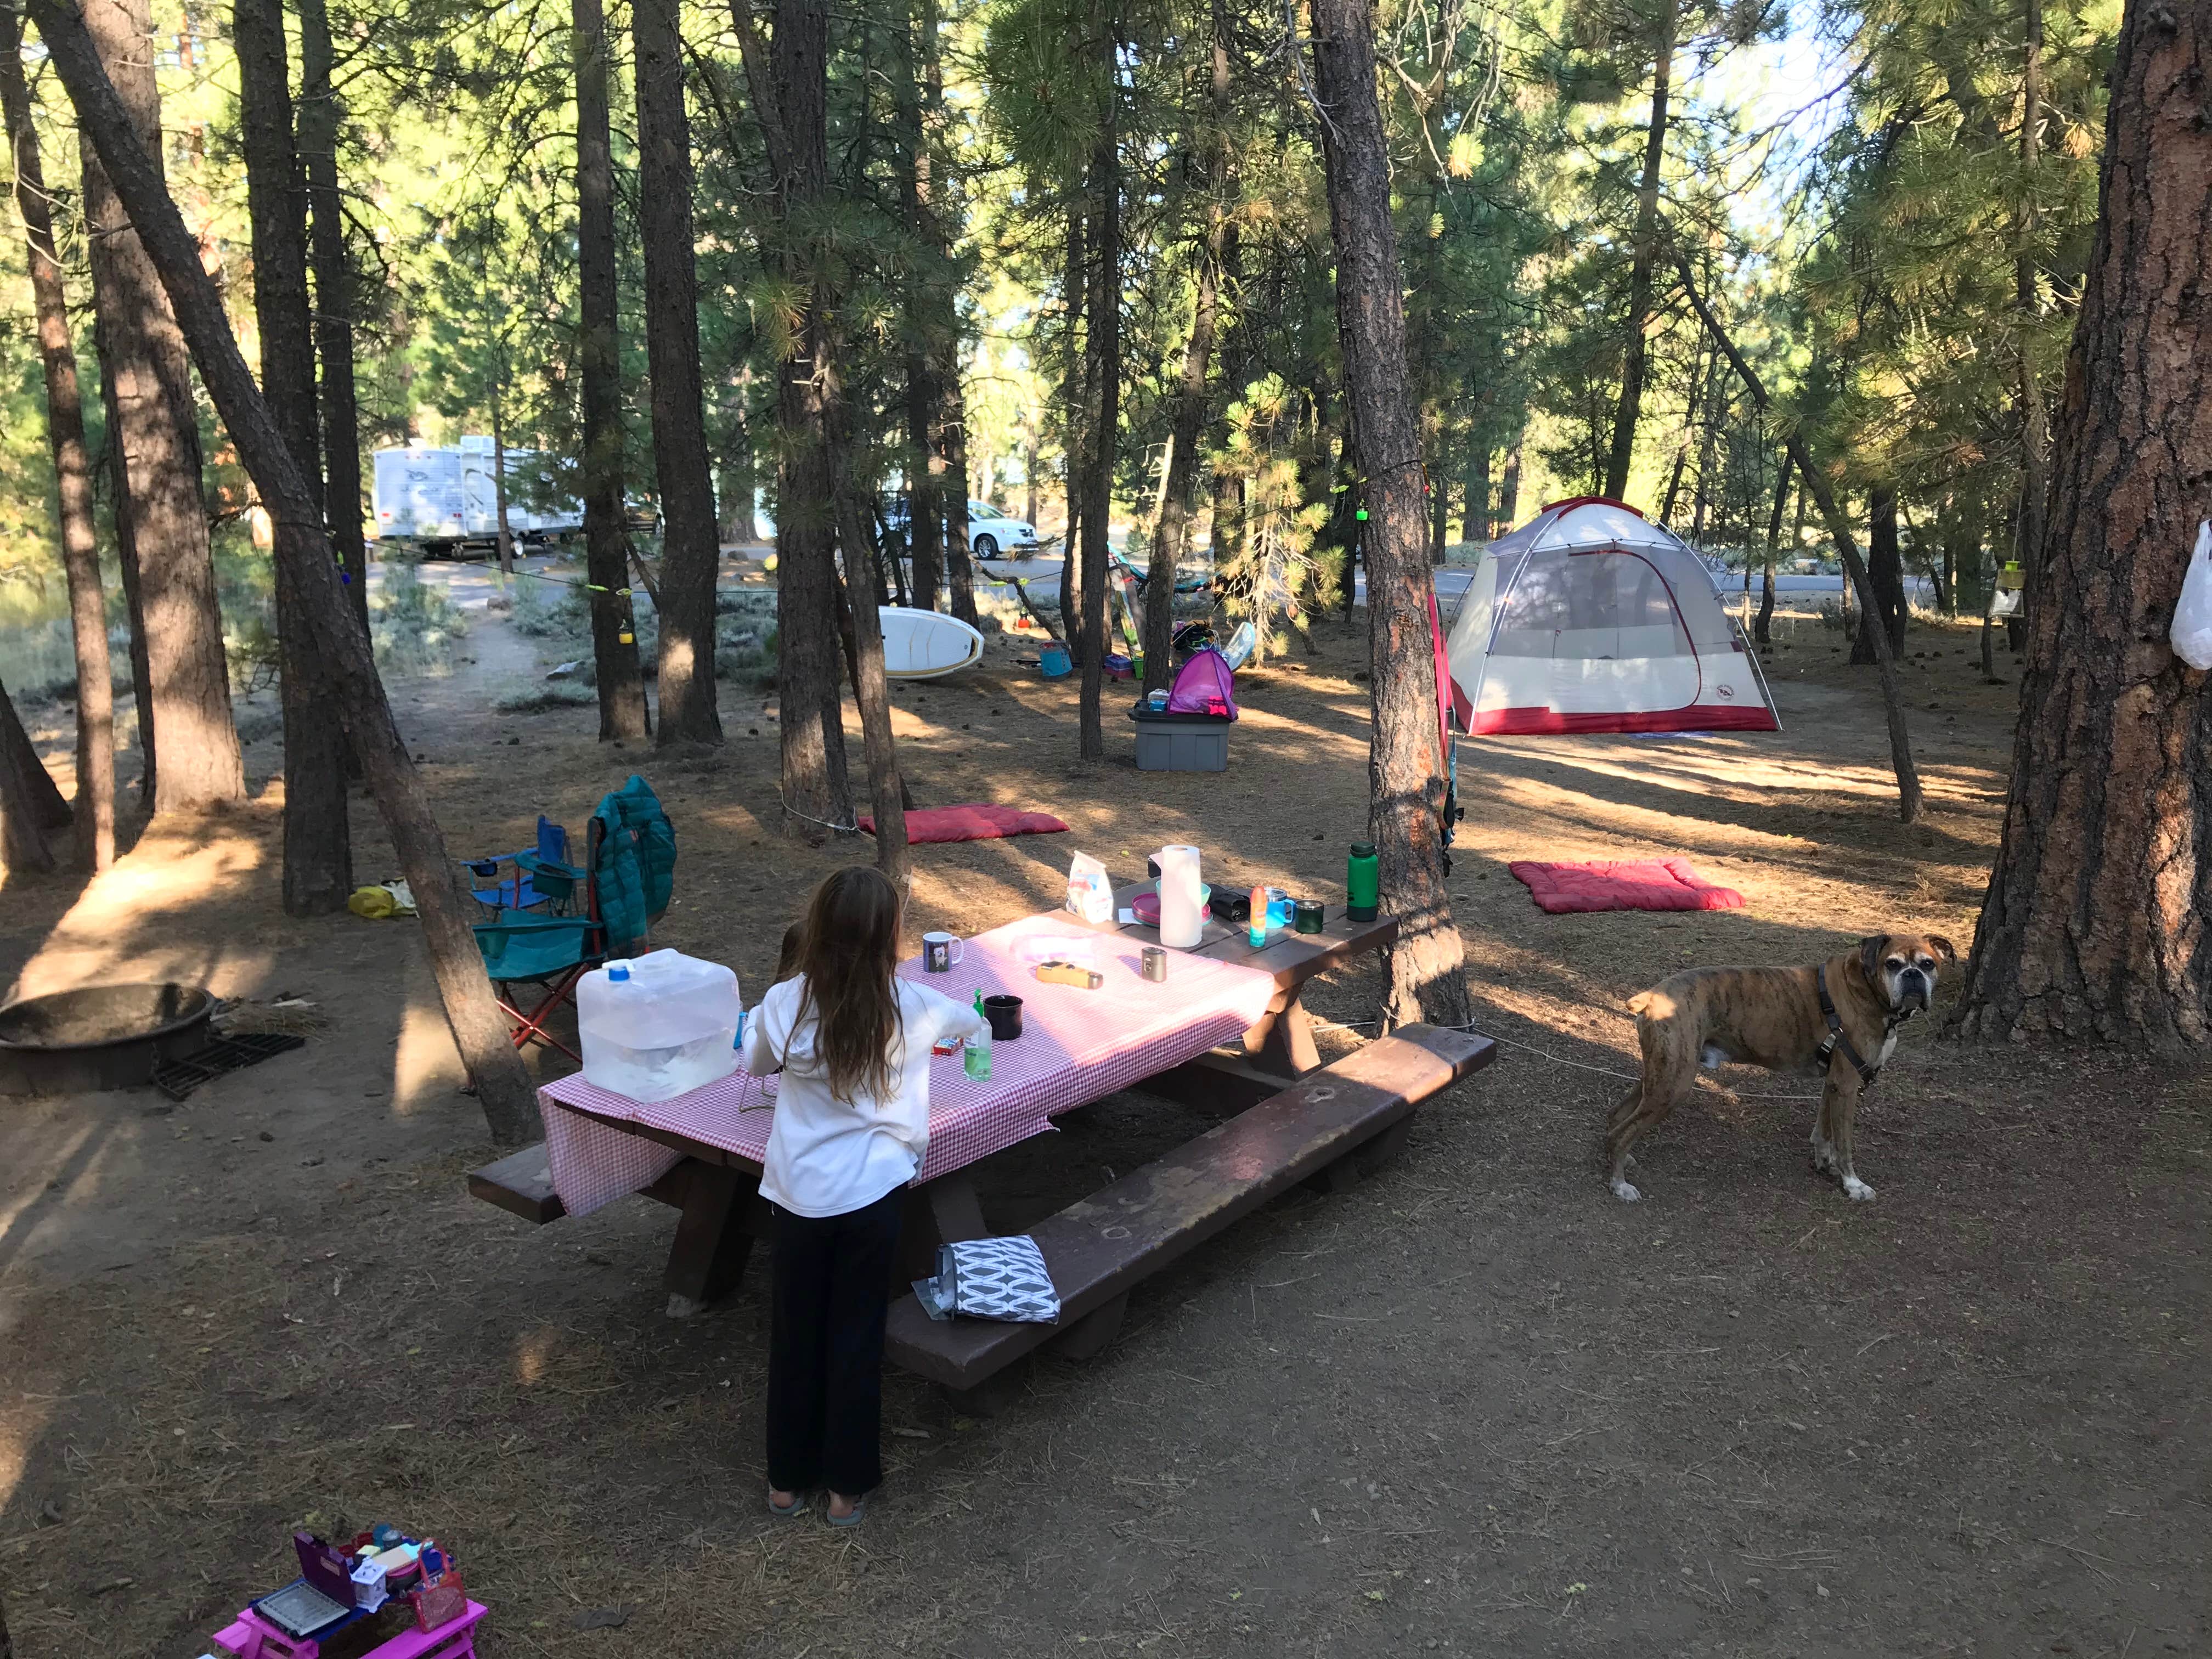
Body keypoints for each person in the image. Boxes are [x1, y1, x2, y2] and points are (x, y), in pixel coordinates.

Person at [740, 866, 985, 1526]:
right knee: (855, 1335)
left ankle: (786, 1481)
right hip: (873, 1195)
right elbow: (970, 1022)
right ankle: (846, 1489)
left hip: (798, 1196)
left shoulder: (786, 1001)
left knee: (796, 1334)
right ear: (890, 936)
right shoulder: (916, 1004)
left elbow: (754, 1062)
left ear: (816, 928)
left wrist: (764, 1021)